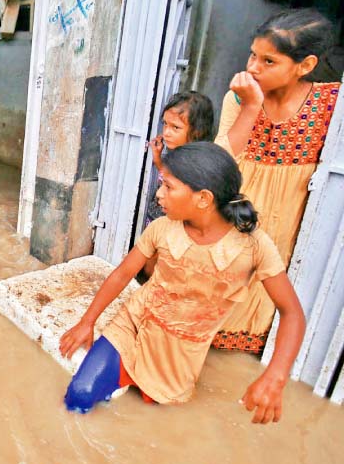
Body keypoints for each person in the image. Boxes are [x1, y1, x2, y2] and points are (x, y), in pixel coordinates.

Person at [59, 142, 305, 423]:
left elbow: (292, 314)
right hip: (136, 325)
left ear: (203, 199)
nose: (159, 194)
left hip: (182, 353)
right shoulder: (162, 228)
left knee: (159, 422)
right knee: (78, 396)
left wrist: (276, 375)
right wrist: (87, 321)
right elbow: (122, 274)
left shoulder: (253, 246)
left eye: (168, 187)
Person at [213, 8, 339, 354]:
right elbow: (221, 162)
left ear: (306, 65)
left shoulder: (332, 105)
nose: (253, 67)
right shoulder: (238, 99)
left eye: (269, 61)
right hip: (236, 219)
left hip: (288, 229)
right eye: (253, 55)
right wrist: (251, 107)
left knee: (268, 295)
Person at [145, 91, 215, 224]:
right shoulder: (177, 152)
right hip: (157, 219)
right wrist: (157, 158)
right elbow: (167, 177)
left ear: (197, 131)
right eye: (165, 124)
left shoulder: (197, 163)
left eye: (175, 127)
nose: (166, 133)